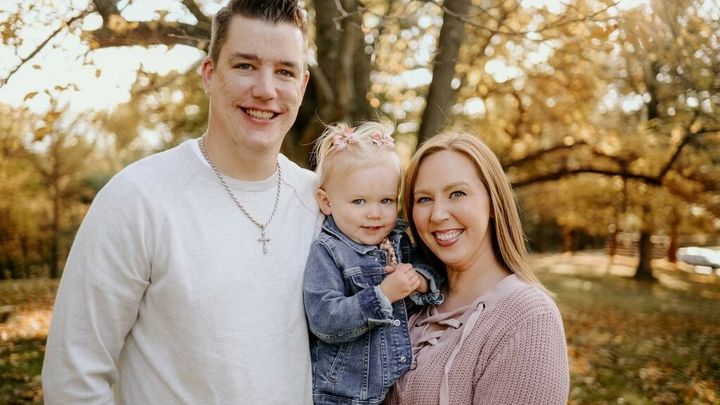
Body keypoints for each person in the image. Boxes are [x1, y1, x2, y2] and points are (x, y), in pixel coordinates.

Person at [41, 1, 323, 403]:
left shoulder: (324, 204)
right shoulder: (137, 198)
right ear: (209, 74)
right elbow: (74, 375)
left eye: (284, 71)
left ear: (302, 85)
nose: (265, 89)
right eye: (245, 66)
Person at [384, 130, 569, 405]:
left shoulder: (528, 319)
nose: (438, 214)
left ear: (493, 203)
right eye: (424, 199)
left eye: (457, 193)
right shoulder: (408, 299)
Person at [303, 121, 444, 404]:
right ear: (327, 202)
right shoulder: (328, 251)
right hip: (344, 396)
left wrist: (420, 280)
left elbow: (431, 271)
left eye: (386, 201)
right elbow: (325, 319)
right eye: (359, 202)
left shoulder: (397, 241)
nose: (375, 213)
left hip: (392, 391)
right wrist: (383, 295)